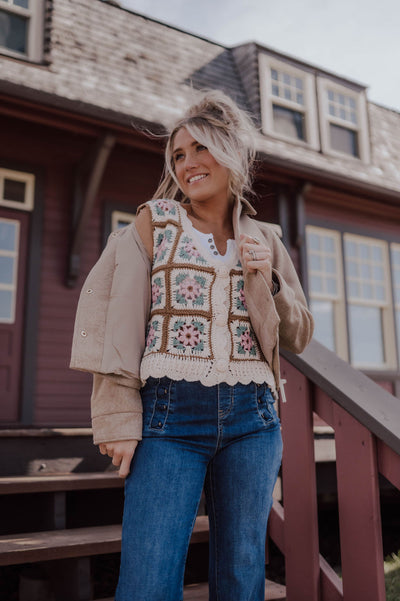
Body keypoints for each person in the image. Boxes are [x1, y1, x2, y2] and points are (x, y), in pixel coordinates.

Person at [70, 89, 314, 601]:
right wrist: (116, 417)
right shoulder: (154, 223)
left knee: (242, 573)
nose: (187, 164)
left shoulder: (266, 239)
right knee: (149, 578)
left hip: (255, 420)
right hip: (168, 416)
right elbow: (116, 322)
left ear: (230, 154)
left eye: (199, 149)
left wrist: (267, 280)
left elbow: (298, 335)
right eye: (178, 155)